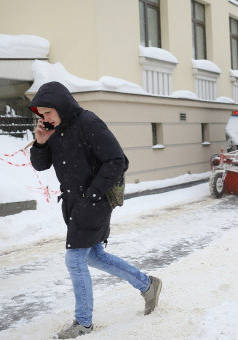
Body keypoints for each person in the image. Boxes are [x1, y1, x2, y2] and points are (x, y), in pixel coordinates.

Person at [29, 81, 162, 339]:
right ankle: (148, 285)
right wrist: (42, 142)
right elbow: (41, 165)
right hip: (72, 204)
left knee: (75, 260)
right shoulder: (54, 130)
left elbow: (117, 160)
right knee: (94, 256)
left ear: (60, 106)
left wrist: (92, 194)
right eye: (41, 115)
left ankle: (83, 323)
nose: (45, 119)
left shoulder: (88, 123)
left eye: (48, 113)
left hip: (93, 203)